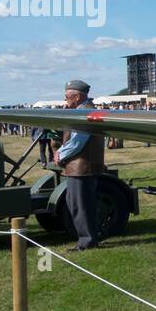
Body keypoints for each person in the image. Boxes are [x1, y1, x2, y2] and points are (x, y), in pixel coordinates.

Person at [55, 80, 105, 252]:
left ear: (77, 96)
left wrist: (60, 154)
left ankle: (87, 241)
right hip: (84, 166)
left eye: (67, 97)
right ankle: (90, 238)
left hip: (82, 167)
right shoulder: (87, 109)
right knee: (82, 204)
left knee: (80, 205)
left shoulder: (84, 112)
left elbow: (78, 142)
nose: (65, 100)